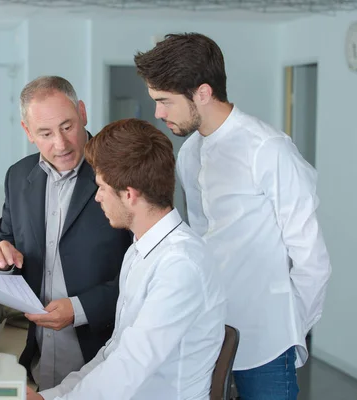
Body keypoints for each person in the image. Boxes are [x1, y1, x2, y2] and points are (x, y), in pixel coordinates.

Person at [134, 32, 332, 400]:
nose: (158, 113)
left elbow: (311, 257)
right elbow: (200, 244)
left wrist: (289, 330)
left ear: (203, 93)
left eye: (164, 101)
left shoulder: (269, 149)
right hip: (210, 336)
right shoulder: (190, 153)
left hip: (268, 345)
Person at [27, 118, 226, 400]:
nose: (97, 198)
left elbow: (128, 367)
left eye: (102, 188)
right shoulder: (139, 251)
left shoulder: (180, 265)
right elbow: (113, 353)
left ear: (130, 195)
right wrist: (51, 396)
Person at [0, 76, 132, 390]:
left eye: (67, 126)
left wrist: (80, 308)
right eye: (46, 133)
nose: (61, 144)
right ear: (28, 132)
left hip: (104, 362)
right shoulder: (18, 176)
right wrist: (1, 256)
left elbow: (147, 275)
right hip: (38, 360)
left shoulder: (120, 173)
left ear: (82, 113)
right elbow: (2, 239)